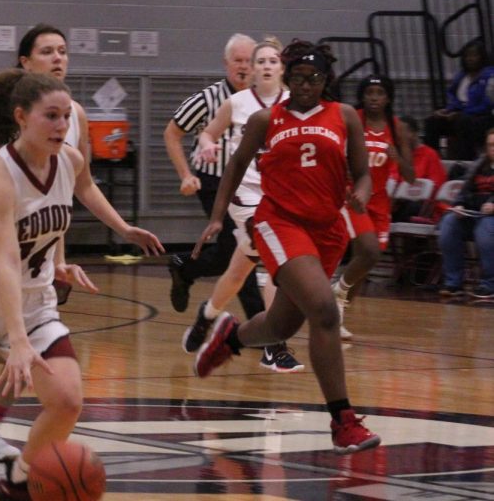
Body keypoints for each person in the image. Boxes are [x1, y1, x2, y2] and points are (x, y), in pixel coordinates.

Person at [0, 70, 163, 501]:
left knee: (66, 400)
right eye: (51, 116)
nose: (62, 126)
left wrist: (123, 228)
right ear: (21, 117)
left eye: (66, 116)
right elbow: (7, 261)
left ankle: (20, 481)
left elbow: (83, 188)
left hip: (36, 300)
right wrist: (18, 341)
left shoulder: (69, 159)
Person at [192, 40, 382, 455]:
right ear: (286, 77)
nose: (304, 85)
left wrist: (362, 194)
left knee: (281, 327)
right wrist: (217, 216)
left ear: (325, 80)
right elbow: (236, 165)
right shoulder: (266, 119)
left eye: (312, 79)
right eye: (296, 78)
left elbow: (363, 173)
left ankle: (231, 338)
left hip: (328, 228)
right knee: (325, 310)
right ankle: (343, 421)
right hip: (280, 222)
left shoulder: (344, 116)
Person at [0, 24, 96, 461]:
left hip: (36, 258)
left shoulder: (73, 116)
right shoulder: (5, 124)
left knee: (40, 362)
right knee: (13, 343)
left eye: (63, 51)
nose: (59, 59)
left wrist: (59, 257)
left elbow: (64, 191)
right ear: (25, 63)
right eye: (47, 52)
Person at [181, 37, 303, 372]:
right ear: (251, 68)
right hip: (243, 195)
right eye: (259, 61)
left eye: (272, 61)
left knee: (238, 272)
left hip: (279, 196)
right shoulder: (236, 103)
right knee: (274, 258)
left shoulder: (295, 103)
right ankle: (273, 346)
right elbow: (208, 133)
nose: (265, 66)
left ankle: (207, 315)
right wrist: (207, 146)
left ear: (282, 68)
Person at [164, 34, 263, 320]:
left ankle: (185, 266)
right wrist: (185, 174)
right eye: (238, 61)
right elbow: (172, 133)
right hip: (215, 183)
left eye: (248, 61)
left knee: (233, 251)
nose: (243, 67)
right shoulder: (208, 99)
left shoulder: (261, 101)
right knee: (242, 245)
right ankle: (261, 325)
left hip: (251, 185)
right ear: (226, 63)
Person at [332, 75, 414, 339]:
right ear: (362, 95)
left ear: (388, 97)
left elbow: (411, 176)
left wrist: (397, 158)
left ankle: (338, 308)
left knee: (365, 263)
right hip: (353, 197)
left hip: (380, 202)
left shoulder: (396, 127)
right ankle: (336, 296)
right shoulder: (351, 118)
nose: (374, 97)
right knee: (368, 252)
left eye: (379, 93)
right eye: (369, 92)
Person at [437, 127, 494, 299]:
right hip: (474, 212)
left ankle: (489, 284)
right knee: (449, 224)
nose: (493, 149)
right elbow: (465, 190)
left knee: (485, 230)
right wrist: (460, 205)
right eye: (490, 145)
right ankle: (453, 283)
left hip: (490, 217)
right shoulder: (479, 165)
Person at [424, 40, 494, 160]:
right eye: (467, 56)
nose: (470, 59)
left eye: (474, 55)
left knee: (463, 122)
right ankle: (431, 160)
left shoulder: (489, 76)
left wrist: (462, 113)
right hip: (461, 116)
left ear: (482, 57)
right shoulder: (461, 76)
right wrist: (447, 111)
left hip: (483, 118)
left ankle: (465, 161)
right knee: (432, 121)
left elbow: (487, 104)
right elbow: (455, 99)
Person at [390, 115, 448, 223]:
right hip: (397, 203)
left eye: (402, 132)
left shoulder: (430, 155)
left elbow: (436, 186)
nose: (398, 136)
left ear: (413, 133)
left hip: (420, 205)